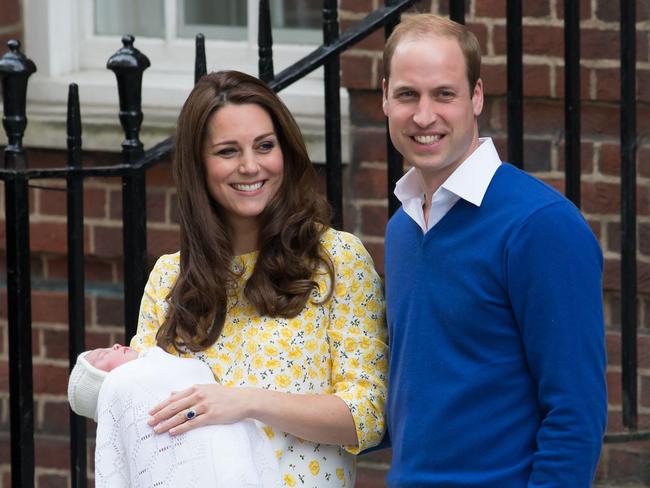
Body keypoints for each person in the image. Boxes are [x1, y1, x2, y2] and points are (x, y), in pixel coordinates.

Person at [131, 70, 388, 488]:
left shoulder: (335, 260)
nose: (250, 166)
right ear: (199, 165)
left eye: (264, 146)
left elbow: (367, 416)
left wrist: (245, 402)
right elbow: (144, 417)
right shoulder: (170, 277)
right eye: (228, 151)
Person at [381, 14, 607, 487]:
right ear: (385, 98)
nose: (424, 116)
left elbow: (576, 412)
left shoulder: (541, 226)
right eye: (407, 95)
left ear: (476, 96)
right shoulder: (402, 228)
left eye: (445, 94)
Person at [67, 344, 280, 488]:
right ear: (103, 389)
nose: (113, 346)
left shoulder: (158, 361)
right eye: (102, 356)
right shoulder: (122, 386)